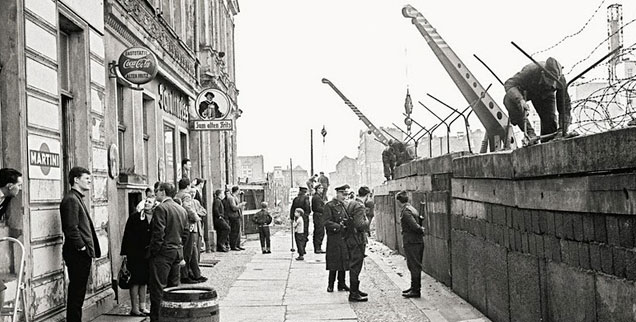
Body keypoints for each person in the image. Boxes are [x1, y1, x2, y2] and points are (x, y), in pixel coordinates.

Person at [60, 167, 101, 322]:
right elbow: (71, 228)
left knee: (78, 292)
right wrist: (82, 247)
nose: (89, 181)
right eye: (86, 179)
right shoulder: (71, 199)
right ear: (76, 180)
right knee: (77, 293)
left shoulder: (76, 197)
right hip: (77, 253)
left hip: (80, 253)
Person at [503, 57, 572, 142]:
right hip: (529, 91)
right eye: (551, 82)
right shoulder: (530, 71)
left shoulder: (561, 80)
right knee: (508, 100)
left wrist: (563, 129)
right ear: (543, 74)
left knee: (550, 124)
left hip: (546, 95)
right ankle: (530, 134)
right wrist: (520, 100)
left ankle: (547, 142)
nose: (554, 85)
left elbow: (565, 107)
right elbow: (509, 84)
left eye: (556, 83)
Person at [147, 182, 188, 322]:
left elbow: (159, 233)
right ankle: (173, 317)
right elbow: (186, 233)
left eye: (157, 191)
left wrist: (153, 252)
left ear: (163, 192)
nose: (156, 193)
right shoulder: (181, 209)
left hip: (163, 254)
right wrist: (179, 246)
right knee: (173, 289)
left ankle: (158, 319)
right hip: (176, 252)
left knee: (158, 289)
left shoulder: (161, 208)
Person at [121, 196, 155, 316]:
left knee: (144, 280)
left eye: (150, 202)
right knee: (134, 280)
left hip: (147, 255)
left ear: (154, 205)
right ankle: (134, 308)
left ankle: (143, 306)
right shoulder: (135, 217)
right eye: (146, 201)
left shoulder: (155, 218)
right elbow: (127, 235)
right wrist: (125, 253)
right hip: (135, 254)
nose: (146, 203)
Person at [174, 178, 205, 284]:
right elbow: (187, 207)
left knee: (189, 251)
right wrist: (196, 217)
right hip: (189, 226)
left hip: (180, 225)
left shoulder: (177, 194)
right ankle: (185, 275)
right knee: (188, 252)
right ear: (187, 186)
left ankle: (191, 274)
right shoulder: (186, 195)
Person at [0, 168, 23, 311]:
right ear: (9, 186)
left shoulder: (7, 198)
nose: (20, 189)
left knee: (1, 289)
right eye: (19, 185)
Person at [396, 190, 426, 298]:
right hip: (415, 241)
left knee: (414, 266)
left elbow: (414, 226)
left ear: (399, 201)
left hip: (412, 242)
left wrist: (420, 229)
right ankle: (414, 287)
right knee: (414, 266)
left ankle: (416, 290)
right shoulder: (411, 208)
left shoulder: (406, 212)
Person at [343, 186, 371, 302]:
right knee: (356, 265)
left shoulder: (351, 203)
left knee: (354, 264)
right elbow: (360, 225)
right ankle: (353, 293)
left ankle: (355, 290)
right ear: (368, 195)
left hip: (350, 238)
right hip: (357, 239)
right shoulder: (359, 206)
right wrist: (367, 221)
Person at [323, 184, 350, 293]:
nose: (344, 197)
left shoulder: (344, 205)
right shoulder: (329, 206)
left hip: (343, 237)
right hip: (334, 237)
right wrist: (338, 227)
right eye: (343, 194)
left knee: (343, 261)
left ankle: (341, 283)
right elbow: (326, 222)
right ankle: (330, 284)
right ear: (337, 193)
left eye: (346, 195)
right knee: (334, 262)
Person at [227, 186, 246, 251]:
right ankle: (233, 245)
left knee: (238, 231)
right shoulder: (231, 198)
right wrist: (241, 204)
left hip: (237, 216)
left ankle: (237, 245)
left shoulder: (235, 197)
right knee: (234, 231)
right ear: (237, 190)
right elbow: (234, 208)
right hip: (233, 216)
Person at [311, 184, 326, 254]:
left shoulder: (318, 197)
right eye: (320, 188)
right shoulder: (317, 197)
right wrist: (325, 208)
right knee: (319, 231)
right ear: (317, 189)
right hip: (318, 216)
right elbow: (317, 208)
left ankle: (318, 247)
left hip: (319, 216)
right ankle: (317, 248)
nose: (322, 190)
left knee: (320, 231)